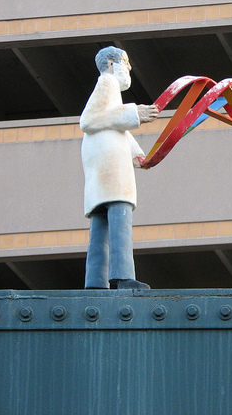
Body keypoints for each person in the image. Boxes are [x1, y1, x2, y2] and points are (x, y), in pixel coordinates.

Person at [80, 46, 158, 289]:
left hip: (103, 167)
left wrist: (136, 155)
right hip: (110, 168)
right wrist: (135, 112)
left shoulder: (109, 89)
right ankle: (123, 276)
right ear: (113, 63)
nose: (129, 69)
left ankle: (95, 282)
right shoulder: (108, 83)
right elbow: (90, 120)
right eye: (126, 63)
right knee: (120, 219)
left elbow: (114, 126)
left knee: (101, 226)